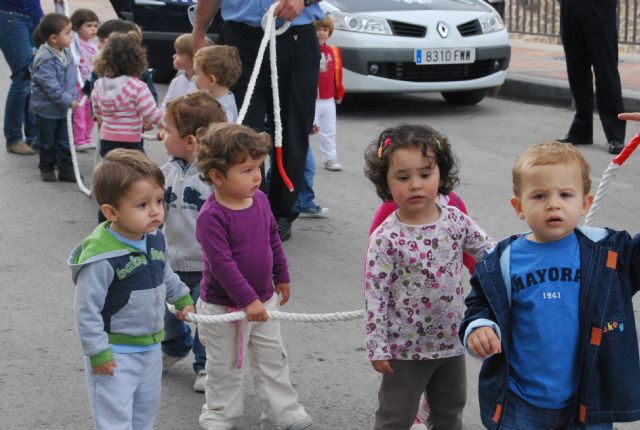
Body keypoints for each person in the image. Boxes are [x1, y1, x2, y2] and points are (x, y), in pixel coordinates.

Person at [461, 142, 640, 429]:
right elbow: (479, 304)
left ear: (585, 203)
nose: (553, 203)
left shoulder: (608, 252)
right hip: (521, 403)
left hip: (587, 402)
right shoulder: (503, 259)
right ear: (519, 206)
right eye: (540, 195)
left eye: (566, 194)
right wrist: (479, 327)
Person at [363, 124, 495, 430]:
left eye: (425, 174)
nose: (415, 185)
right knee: (396, 416)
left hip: (450, 342)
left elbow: (489, 252)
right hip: (404, 351)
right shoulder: (386, 238)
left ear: (441, 175)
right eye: (403, 177)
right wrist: (377, 346)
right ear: (385, 181)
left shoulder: (456, 220)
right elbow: (375, 294)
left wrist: (530, 256)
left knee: (449, 412)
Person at [195, 122, 315, 430]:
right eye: (246, 170)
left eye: (258, 167)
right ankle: (220, 415)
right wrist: (247, 300)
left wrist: (282, 275)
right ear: (217, 176)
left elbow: (272, 238)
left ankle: (284, 412)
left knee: (273, 358)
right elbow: (222, 265)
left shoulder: (260, 200)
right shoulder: (211, 217)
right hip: (223, 307)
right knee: (223, 366)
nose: (257, 176)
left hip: (265, 299)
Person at [68, 148, 195, 430]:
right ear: (111, 212)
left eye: (159, 201)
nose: (155, 211)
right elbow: (86, 310)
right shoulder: (102, 258)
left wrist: (182, 296)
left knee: (144, 414)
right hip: (115, 352)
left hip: (150, 348)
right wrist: (97, 351)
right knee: (114, 418)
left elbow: (164, 273)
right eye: (142, 205)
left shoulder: (154, 238)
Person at [192, 0, 324, 241]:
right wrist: (199, 32)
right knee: (238, 129)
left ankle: (281, 212)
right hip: (240, 38)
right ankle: (245, 207)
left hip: (294, 35)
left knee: (292, 128)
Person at [159, 91, 227, 393]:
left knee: (205, 320)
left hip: (204, 264)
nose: (161, 134)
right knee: (171, 316)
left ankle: (204, 365)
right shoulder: (164, 172)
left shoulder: (213, 180)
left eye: (167, 130)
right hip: (170, 264)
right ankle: (174, 348)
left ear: (190, 141)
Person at [555, 0, 626, 155]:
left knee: (605, 68)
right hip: (571, 5)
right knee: (576, 68)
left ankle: (615, 134)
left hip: (599, 6)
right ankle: (582, 129)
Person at [91, 32, 163, 158]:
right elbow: (152, 114)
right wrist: (169, 124)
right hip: (130, 142)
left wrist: (100, 118)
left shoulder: (99, 85)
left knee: (113, 172)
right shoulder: (137, 87)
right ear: (137, 59)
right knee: (138, 173)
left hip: (107, 141)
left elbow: (97, 112)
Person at [30, 13, 79, 182]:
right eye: (67, 32)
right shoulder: (45, 60)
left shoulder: (67, 53)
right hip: (47, 110)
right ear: (53, 38)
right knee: (47, 142)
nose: (71, 35)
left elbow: (72, 79)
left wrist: (74, 96)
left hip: (64, 108)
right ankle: (47, 168)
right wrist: (69, 101)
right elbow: (52, 88)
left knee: (66, 141)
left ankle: (66, 170)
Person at [0, 0, 42, 155]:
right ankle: (14, 138)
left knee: (36, 75)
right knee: (23, 77)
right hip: (10, 14)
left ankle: (34, 135)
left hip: (33, 13)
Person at [313, 15, 344, 172]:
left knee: (329, 131)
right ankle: (301, 158)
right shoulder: (308, 50)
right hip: (311, 100)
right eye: (317, 29)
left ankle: (330, 158)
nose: (321, 33)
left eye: (324, 29)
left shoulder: (334, 51)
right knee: (306, 130)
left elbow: (337, 74)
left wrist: (338, 93)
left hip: (328, 99)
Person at [69, 8, 99, 152]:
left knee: (90, 112)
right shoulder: (74, 43)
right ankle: (78, 139)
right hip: (78, 84)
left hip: (90, 84)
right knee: (79, 112)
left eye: (95, 26)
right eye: (88, 26)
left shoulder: (94, 47)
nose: (93, 29)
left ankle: (86, 137)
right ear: (77, 27)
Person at [193, 44, 241, 123]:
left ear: (211, 79)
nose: (194, 77)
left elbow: (222, 133)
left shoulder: (224, 109)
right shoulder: (212, 98)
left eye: (196, 73)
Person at [161, 34, 211, 109]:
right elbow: (166, 106)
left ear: (194, 58)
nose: (174, 56)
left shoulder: (205, 84)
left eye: (179, 54)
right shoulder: (176, 82)